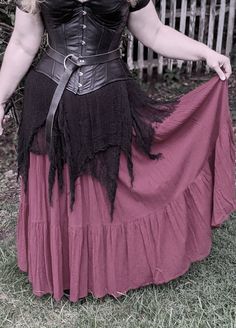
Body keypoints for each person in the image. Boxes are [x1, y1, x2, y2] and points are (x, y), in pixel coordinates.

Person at [0, 0, 235, 303]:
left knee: (101, 189)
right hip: (49, 100)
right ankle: (65, 269)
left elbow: (154, 32)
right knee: (59, 188)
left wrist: (206, 53)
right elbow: (23, 43)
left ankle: (99, 270)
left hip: (108, 97)